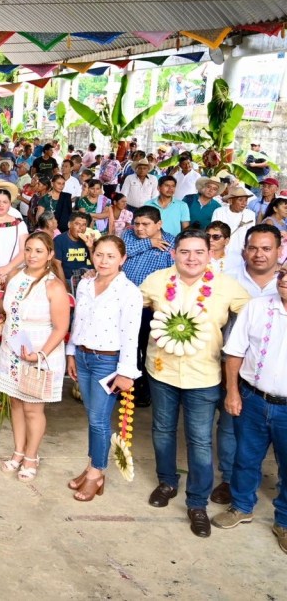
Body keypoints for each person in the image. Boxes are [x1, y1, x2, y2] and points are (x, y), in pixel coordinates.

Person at [139, 229, 250, 538]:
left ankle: (197, 503)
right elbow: (131, 305)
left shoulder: (228, 287)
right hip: (161, 371)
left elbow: (255, 316)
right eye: (184, 252)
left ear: (210, 254)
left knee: (200, 441)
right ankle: (167, 482)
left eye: (199, 252)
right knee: (162, 431)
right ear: (173, 253)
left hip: (204, 376)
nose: (191, 258)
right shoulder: (156, 281)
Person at [213, 261, 287, 555]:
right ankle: (241, 506)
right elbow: (234, 351)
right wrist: (232, 392)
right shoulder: (258, 307)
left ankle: (283, 521)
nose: (284, 280)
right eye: (283, 274)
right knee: (245, 457)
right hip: (254, 399)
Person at [65, 235, 143, 501]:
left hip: (108, 363)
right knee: (92, 417)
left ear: (122, 259)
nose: (104, 261)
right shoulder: (86, 284)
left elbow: (130, 334)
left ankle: (97, 474)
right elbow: (78, 321)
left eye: (111, 256)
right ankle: (90, 467)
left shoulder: (129, 291)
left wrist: (125, 372)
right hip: (85, 357)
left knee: (99, 420)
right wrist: (71, 352)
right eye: (99, 254)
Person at [0, 232, 70, 482]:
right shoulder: (16, 277)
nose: (32, 255)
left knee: (33, 410)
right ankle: (18, 451)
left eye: (39, 250)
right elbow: (8, 311)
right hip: (12, 351)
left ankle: (31, 456)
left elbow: (61, 328)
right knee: (15, 403)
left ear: (50, 255)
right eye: (28, 250)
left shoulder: (53, 285)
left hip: (39, 355)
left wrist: (39, 354)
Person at [121, 206, 176, 407]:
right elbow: (122, 252)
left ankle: (145, 388)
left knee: (148, 347)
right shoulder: (128, 236)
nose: (139, 228)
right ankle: (129, 385)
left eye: (145, 224)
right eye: (137, 223)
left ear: (159, 224)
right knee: (128, 345)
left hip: (151, 307)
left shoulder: (172, 242)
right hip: (126, 302)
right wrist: (148, 243)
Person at [53, 211, 93, 291]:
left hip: (84, 278)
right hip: (66, 278)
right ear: (69, 225)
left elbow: (95, 264)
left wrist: (91, 248)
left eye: (84, 225)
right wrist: (65, 287)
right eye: (77, 224)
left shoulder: (88, 240)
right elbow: (57, 265)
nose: (81, 228)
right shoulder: (59, 240)